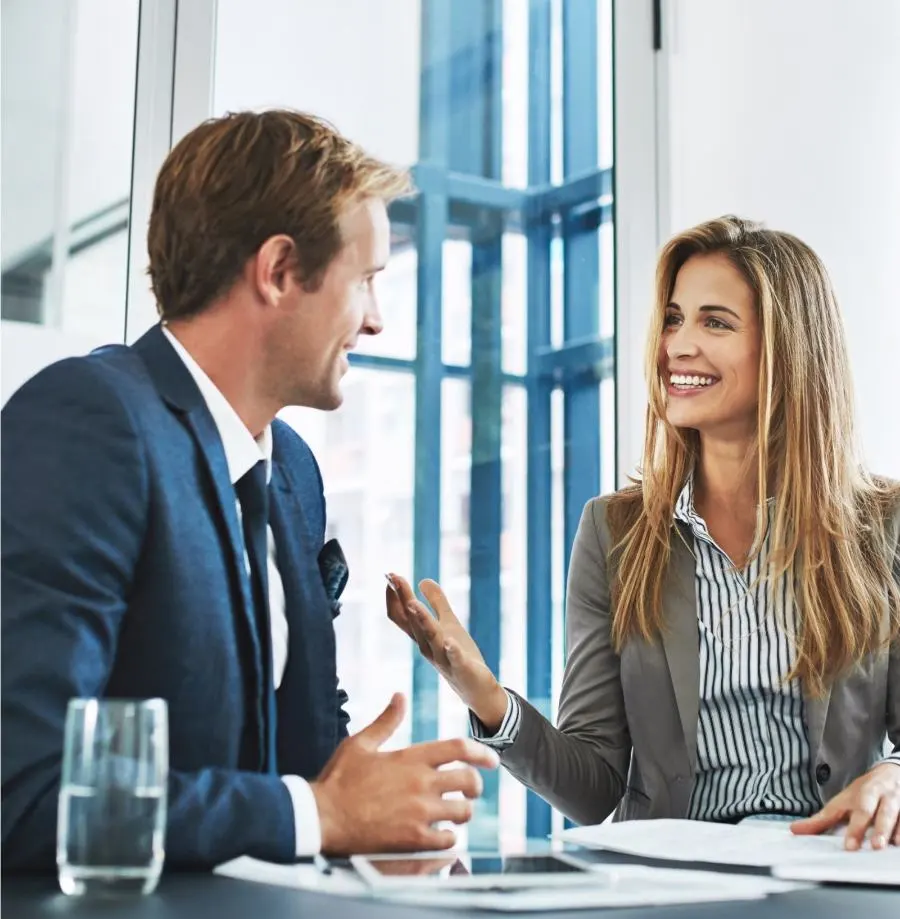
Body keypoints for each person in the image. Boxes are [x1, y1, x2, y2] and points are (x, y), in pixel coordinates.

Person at [1, 109, 498, 871]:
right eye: (365, 281)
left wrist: (375, 839)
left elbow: (298, 756)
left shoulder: (293, 469)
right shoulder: (92, 422)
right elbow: (27, 789)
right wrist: (323, 816)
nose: (375, 319)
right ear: (277, 271)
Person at [387, 215, 900, 850]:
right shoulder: (615, 533)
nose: (676, 346)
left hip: (829, 877)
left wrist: (894, 778)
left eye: (715, 322)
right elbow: (593, 787)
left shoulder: (884, 525)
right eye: (674, 318)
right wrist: (484, 694)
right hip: (672, 882)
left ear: (789, 348)